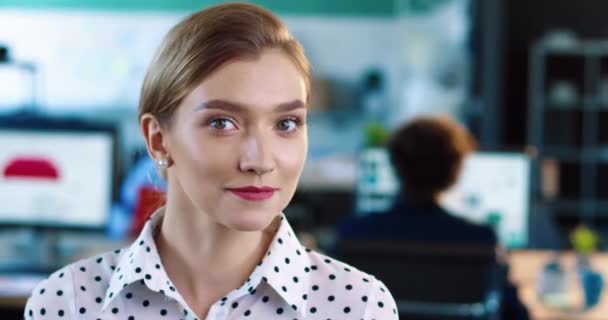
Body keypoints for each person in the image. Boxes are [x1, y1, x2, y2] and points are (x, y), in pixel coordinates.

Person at [23, 3, 398, 320]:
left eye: (286, 124)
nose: (261, 160)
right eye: (222, 123)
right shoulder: (68, 303)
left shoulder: (359, 307)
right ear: (158, 139)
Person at [337, 115, 529, 319]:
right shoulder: (480, 239)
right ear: (456, 171)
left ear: (394, 165)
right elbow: (515, 314)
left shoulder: (353, 232)